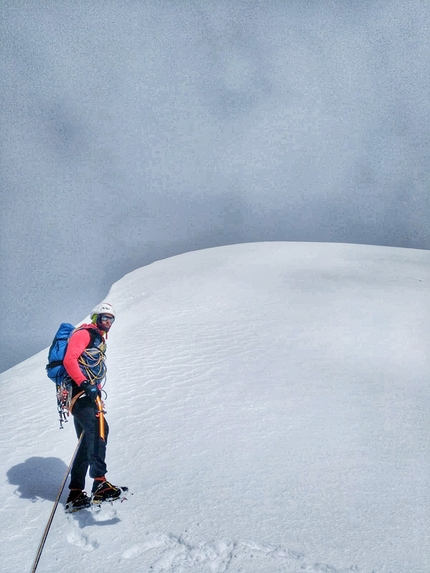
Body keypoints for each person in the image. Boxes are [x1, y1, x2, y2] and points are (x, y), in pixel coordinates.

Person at [63, 302, 121, 512]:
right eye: (104, 317)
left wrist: (94, 390)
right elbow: (70, 360)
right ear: (96, 318)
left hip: (85, 395)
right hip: (80, 393)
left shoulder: (98, 338)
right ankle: (99, 483)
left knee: (87, 440)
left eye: (111, 319)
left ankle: (76, 493)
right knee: (99, 430)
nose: (108, 322)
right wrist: (85, 384)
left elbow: (91, 369)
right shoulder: (85, 334)